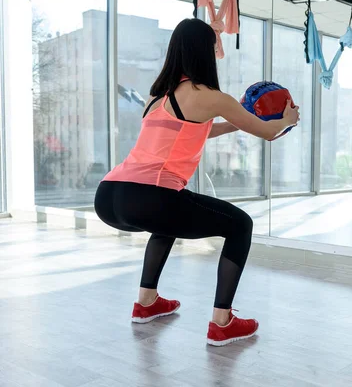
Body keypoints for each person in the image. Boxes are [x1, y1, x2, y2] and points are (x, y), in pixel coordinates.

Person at [94, 18, 299, 346]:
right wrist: (287, 120)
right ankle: (223, 322)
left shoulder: (157, 95)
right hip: (149, 196)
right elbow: (269, 133)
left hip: (109, 196)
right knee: (239, 225)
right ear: (204, 50)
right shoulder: (211, 96)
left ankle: (146, 302)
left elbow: (198, 128)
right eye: (214, 44)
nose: (219, 49)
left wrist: (236, 122)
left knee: (168, 220)